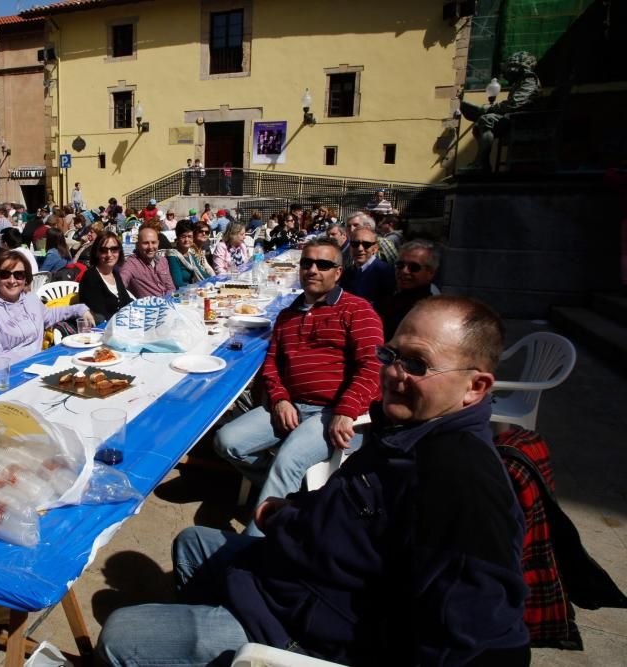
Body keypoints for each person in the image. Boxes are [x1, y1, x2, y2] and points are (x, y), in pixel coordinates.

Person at [99, 295, 530, 667]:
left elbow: (489, 638)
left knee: (119, 633)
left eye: (417, 364)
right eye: (392, 355)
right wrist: (289, 512)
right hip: (293, 577)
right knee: (192, 541)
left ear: (476, 387)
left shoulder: (459, 479)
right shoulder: (403, 431)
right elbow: (347, 513)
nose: (394, 374)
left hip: (310, 627)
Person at [214, 237, 382, 533]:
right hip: (292, 405)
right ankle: (297, 500)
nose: (313, 269)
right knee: (227, 441)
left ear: (338, 272)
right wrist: (279, 399)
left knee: (287, 460)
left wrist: (346, 410)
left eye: (323, 264)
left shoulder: (358, 310)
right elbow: (271, 365)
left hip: (332, 412)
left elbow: (372, 366)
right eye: (307, 263)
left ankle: (254, 549)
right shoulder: (287, 315)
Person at [0, 250, 93, 372]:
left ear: (26, 278)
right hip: (14, 375)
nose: (12, 280)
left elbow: (49, 315)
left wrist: (80, 309)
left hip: (41, 365)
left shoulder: (29, 298)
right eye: (5, 274)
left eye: (18, 275)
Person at [376, 239, 440, 341]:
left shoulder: (428, 310)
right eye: (400, 265)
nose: (404, 271)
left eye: (414, 267)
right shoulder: (391, 296)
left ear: (431, 272)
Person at [79, 231, 133, 323]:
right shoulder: (90, 277)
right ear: (96, 253)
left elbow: (126, 302)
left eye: (114, 249)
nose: (109, 254)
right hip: (102, 330)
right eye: (103, 250)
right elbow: (99, 315)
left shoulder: (115, 274)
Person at [340, 226, 395, 305]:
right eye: (355, 244)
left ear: (375, 248)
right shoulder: (347, 272)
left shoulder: (385, 272)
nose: (360, 248)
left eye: (366, 244)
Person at [118, 227, 174, 298]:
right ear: (137, 245)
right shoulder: (131, 264)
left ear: (158, 243)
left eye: (153, 242)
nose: (150, 247)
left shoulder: (163, 261)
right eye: (146, 243)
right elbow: (120, 285)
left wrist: (167, 300)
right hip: (148, 307)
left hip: (169, 304)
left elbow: (171, 288)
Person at [166, 220, 214, 287]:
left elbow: (201, 272)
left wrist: (214, 280)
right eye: (183, 236)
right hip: (183, 293)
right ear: (177, 237)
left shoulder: (191, 253)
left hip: (195, 289)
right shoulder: (173, 255)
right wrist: (198, 287)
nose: (187, 240)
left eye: (189, 236)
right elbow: (178, 283)